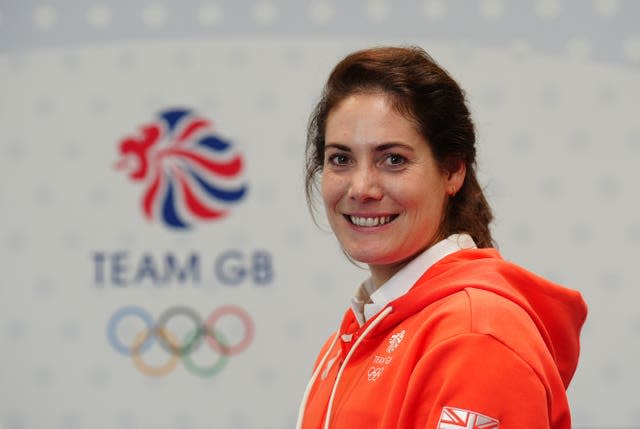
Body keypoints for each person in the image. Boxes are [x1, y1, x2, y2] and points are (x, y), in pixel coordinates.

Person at [296, 46, 587, 429]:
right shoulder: (359, 333)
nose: (361, 187)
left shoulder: (474, 336)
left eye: (393, 159)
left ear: (452, 171)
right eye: (340, 159)